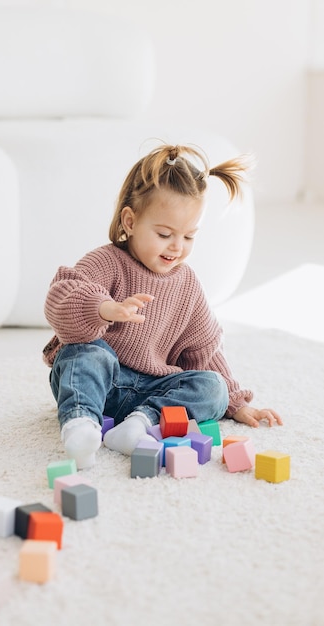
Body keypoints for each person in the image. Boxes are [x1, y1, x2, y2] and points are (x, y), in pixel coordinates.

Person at [43, 143, 282, 469]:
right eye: (165, 233)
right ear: (130, 221)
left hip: (151, 392)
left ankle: (139, 425)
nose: (177, 247)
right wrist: (103, 309)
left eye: (188, 237)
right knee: (82, 354)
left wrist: (236, 402)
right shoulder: (107, 261)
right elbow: (61, 297)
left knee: (212, 387)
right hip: (102, 383)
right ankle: (81, 426)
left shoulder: (187, 285)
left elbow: (205, 351)